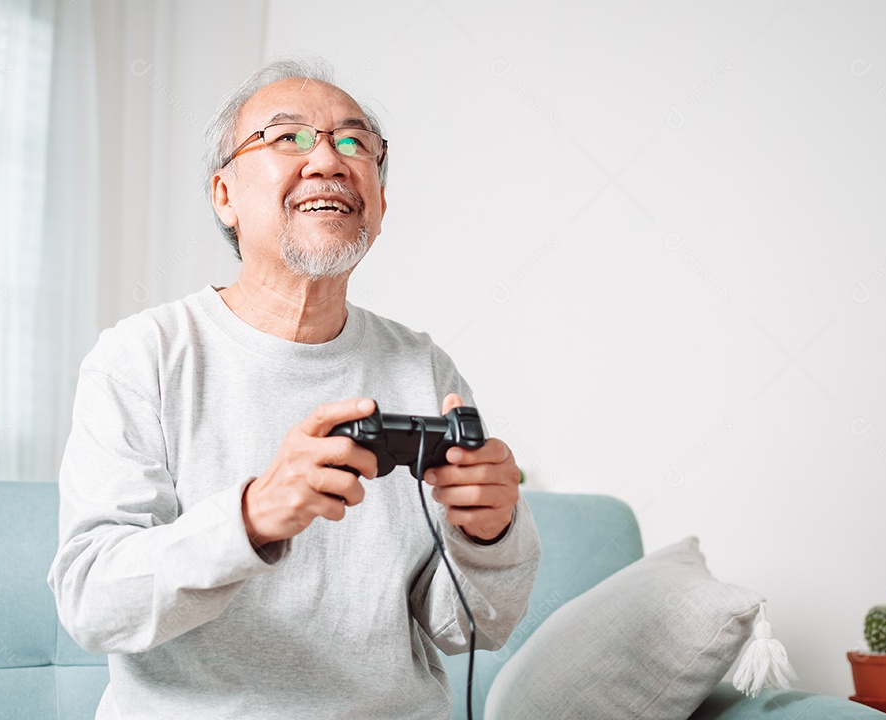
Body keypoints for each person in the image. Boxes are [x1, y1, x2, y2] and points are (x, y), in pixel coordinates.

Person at [48, 57, 541, 719]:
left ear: (381, 199)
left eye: (354, 142)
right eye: (287, 138)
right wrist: (251, 518)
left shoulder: (425, 369)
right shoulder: (142, 357)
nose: (329, 161)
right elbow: (93, 602)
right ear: (224, 195)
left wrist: (488, 536)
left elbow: (463, 630)